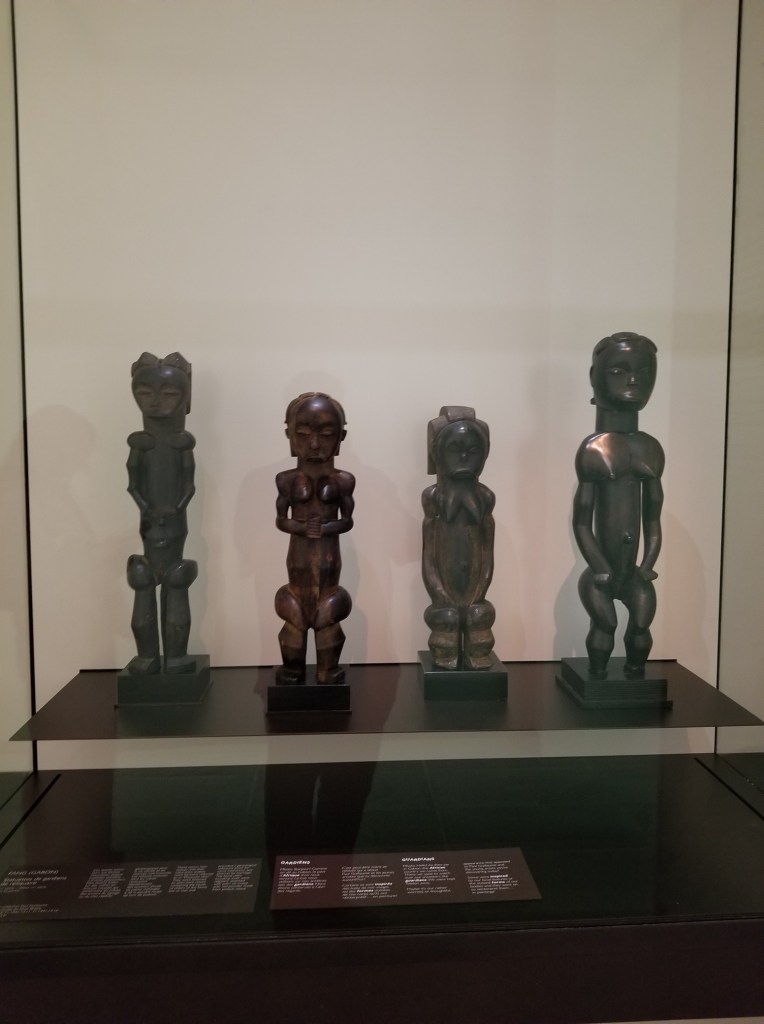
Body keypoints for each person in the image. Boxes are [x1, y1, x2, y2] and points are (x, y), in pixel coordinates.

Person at [573, 332, 664, 677]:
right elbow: (581, 522)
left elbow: (652, 517)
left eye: (644, 371)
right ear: (594, 377)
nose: (633, 380)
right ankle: (597, 678)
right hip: (601, 575)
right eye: (618, 371)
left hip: (635, 573)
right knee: (606, 627)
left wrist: (649, 561)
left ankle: (635, 676)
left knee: (641, 627)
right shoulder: (594, 450)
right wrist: (599, 566)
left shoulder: (650, 449)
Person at [275, 393, 355, 684]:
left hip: (329, 582)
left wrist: (326, 528)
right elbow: (280, 519)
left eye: (325, 433)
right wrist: (298, 528)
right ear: (289, 435)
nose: (313, 444)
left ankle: (327, 671)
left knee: (328, 625)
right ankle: (293, 670)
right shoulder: (286, 480)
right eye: (303, 433)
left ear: (340, 437)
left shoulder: (342, 480)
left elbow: (347, 520)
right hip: (296, 581)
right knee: (293, 626)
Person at [125, 352, 198, 674]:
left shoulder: (182, 443)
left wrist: (175, 509)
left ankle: (176, 657)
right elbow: (132, 485)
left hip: (174, 524)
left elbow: (189, 487)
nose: (155, 403)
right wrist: (148, 509)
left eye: (168, 394)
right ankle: (148, 657)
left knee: (176, 580)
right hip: (151, 525)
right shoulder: (140, 444)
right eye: (144, 393)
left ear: (185, 397)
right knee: (144, 581)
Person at [422, 406, 496, 670]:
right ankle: (445, 655)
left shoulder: (485, 498)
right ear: (438, 454)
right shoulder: (433, 498)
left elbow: (487, 553)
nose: (464, 457)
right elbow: (429, 555)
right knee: (445, 621)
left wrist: (481, 591)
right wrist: (438, 592)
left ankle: (476, 653)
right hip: (444, 592)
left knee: (480, 616)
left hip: (475, 590)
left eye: (473, 451)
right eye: (455, 450)